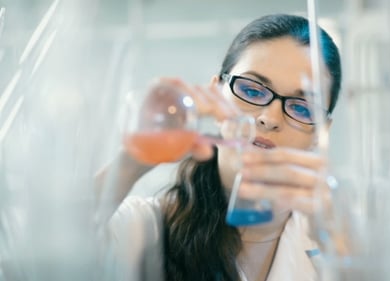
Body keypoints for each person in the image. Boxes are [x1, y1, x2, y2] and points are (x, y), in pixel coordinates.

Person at [97, 13, 342, 281]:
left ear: (321, 132)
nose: (269, 118)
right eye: (252, 91)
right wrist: (134, 159)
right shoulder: (145, 228)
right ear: (216, 91)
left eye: (301, 107)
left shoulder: (333, 246)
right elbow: (56, 241)